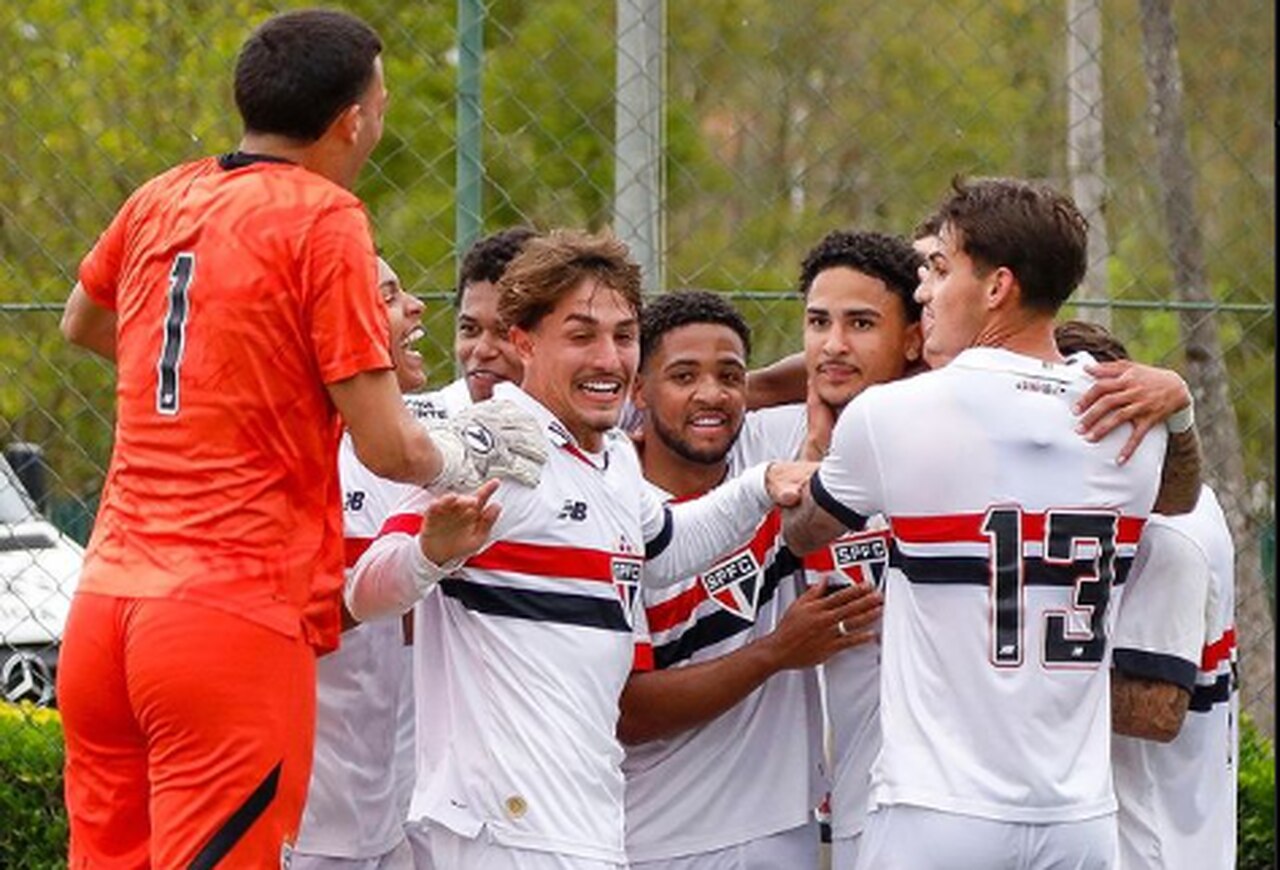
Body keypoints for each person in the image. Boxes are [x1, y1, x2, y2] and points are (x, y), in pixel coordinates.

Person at [55, 12, 544, 868]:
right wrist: (470, 452)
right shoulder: (324, 217)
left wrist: (223, 380)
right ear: (353, 118)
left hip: (104, 610)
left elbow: (82, 321)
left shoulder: (162, 194)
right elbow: (390, 447)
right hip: (226, 617)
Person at [348, 229, 812, 869]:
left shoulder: (613, 458)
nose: (608, 358)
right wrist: (431, 555)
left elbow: (665, 546)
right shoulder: (496, 444)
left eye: (623, 336)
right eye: (581, 335)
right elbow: (365, 588)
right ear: (523, 342)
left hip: (581, 825)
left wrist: (761, 485)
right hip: (500, 832)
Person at [783, 178, 1168, 870]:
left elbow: (805, 533)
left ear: (997, 288)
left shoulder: (893, 416)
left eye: (938, 269)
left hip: (939, 810)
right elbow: (1179, 490)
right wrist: (1185, 403)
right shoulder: (1138, 421)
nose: (924, 291)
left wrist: (815, 463)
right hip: (1078, 816)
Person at [619, 289, 882, 870]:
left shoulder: (762, 450)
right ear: (637, 389)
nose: (710, 395)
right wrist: (777, 652)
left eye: (728, 376)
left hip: (782, 828)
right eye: (682, 376)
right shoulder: (615, 505)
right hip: (658, 838)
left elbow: (859, 367)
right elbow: (629, 711)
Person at [1055, 320, 1237, 870]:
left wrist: (1021, 671)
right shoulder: (1162, 505)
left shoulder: (1165, 534)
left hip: (1151, 846)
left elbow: (1156, 712)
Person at [294, 257, 424, 870]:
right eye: (392, 296)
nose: (417, 307)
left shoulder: (415, 450)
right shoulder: (297, 457)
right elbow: (296, 623)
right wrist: (420, 565)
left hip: (395, 813)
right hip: (312, 823)